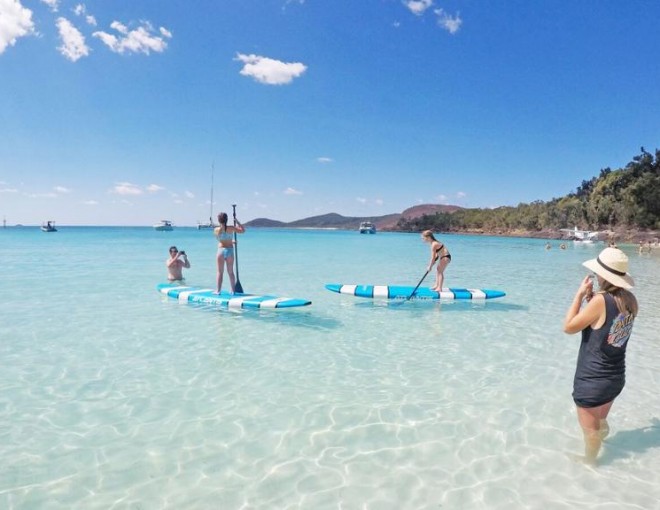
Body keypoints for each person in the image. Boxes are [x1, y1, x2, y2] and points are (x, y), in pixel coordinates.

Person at [563, 247, 638, 465]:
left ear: (603, 275)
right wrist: (593, 299)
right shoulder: (631, 300)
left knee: (590, 431)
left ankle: (591, 462)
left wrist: (579, 296)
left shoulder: (599, 302)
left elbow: (568, 327)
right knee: (600, 420)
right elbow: (607, 326)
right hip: (615, 378)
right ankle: (603, 440)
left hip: (592, 381)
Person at [213, 212, 245, 294]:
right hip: (230, 251)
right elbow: (243, 231)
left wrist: (229, 241)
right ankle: (233, 291)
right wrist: (237, 221)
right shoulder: (231, 228)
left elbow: (220, 240)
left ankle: (218, 291)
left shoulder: (216, 230)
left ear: (219, 220)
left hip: (220, 251)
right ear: (227, 220)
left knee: (220, 272)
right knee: (230, 272)